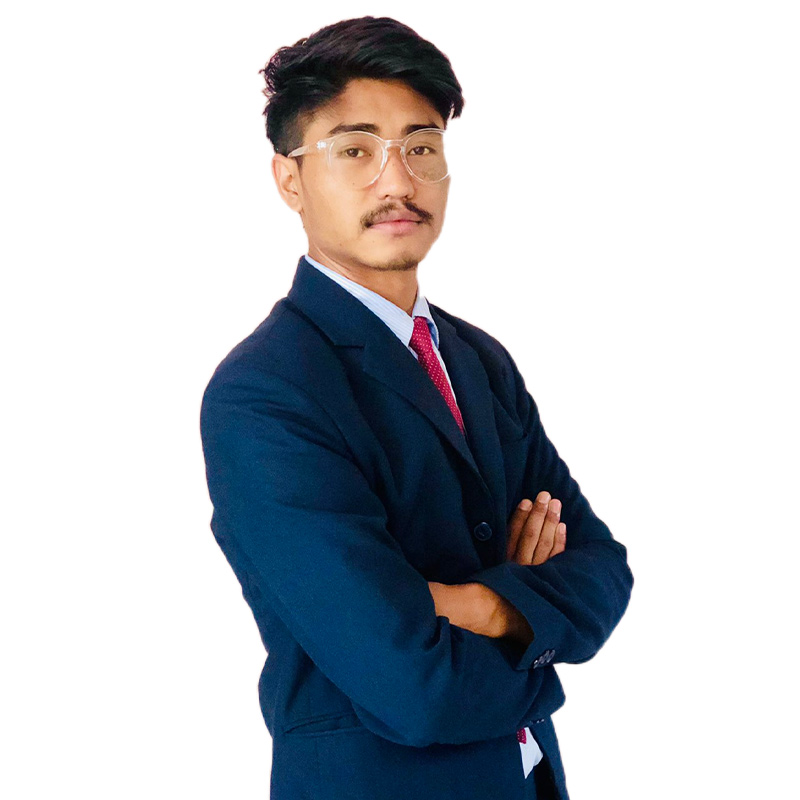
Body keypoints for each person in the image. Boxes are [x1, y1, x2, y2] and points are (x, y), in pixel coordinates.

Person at [200, 16, 633, 800]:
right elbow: (409, 683)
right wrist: (538, 623)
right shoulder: (266, 392)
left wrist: (475, 605)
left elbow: (603, 572)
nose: (396, 182)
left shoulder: (478, 359)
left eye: (421, 147)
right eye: (355, 150)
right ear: (290, 180)